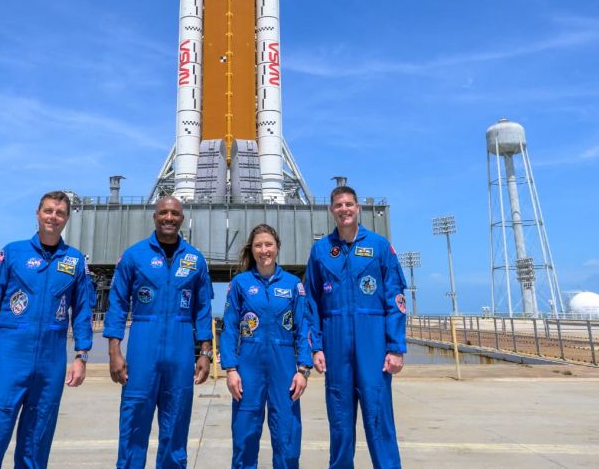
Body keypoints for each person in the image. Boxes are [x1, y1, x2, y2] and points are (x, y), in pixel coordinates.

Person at [0, 191, 95, 469]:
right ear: (37, 214)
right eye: (48, 211)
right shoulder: (12, 253)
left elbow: (83, 310)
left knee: (35, 449)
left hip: (50, 364)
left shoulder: (74, 261)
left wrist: (81, 355)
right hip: (9, 358)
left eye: (59, 213)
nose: (53, 217)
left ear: (67, 218)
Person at [104, 196, 214, 468]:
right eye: (163, 212)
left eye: (174, 214)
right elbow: (117, 304)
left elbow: (202, 309)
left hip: (180, 349)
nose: (169, 218)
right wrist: (114, 350)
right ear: (154, 216)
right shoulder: (134, 255)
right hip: (143, 345)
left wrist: (205, 352)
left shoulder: (194, 259)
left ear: (182, 218)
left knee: (176, 425)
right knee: (133, 422)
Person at [304, 186, 407, 469]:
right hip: (336, 347)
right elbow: (311, 302)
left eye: (349, 204)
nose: (344, 209)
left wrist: (396, 348)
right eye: (338, 205)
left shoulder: (379, 247)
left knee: (379, 420)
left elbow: (395, 298)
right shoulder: (321, 251)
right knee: (340, 425)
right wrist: (316, 347)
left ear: (358, 207)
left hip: (372, 345)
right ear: (331, 209)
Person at [220, 224, 312, 469]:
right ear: (252, 249)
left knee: (287, 436)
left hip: (284, 367)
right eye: (258, 245)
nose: (264, 250)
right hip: (248, 366)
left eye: (268, 244)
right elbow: (229, 329)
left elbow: (303, 329)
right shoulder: (240, 283)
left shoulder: (293, 285)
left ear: (277, 247)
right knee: (245, 436)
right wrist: (230, 369)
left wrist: (303, 369)